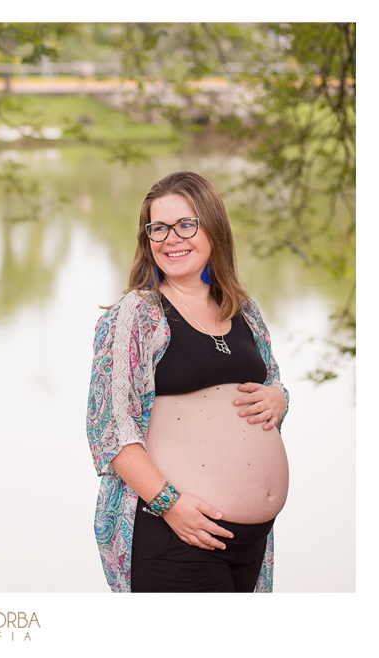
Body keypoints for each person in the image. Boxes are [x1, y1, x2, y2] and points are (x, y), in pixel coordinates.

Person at [85, 171, 289, 593]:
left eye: (186, 224)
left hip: (251, 541)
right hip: (175, 535)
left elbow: (273, 387)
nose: (171, 238)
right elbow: (109, 427)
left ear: (213, 228)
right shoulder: (136, 314)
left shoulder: (244, 310)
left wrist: (279, 399)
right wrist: (170, 505)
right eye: (158, 228)